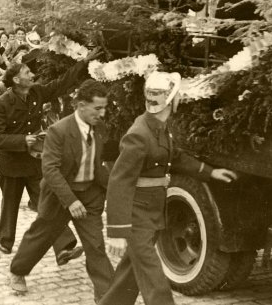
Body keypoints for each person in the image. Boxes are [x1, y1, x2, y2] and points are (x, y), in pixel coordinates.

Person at [99, 71, 237, 305]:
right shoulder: (139, 135)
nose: (179, 100)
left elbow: (177, 157)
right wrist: (117, 233)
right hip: (137, 219)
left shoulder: (159, 127)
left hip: (151, 213)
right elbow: (119, 182)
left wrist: (210, 172)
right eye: (176, 97)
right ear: (170, 101)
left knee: (130, 274)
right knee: (155, 283)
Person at [0, 48, 102, 257]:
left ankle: (64, 246)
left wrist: (84, 61)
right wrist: (22, 140)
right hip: (12, 164)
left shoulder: (37, 93)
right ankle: (6, 241)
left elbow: (62, 83)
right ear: (16, 79)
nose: (32, 75)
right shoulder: (0, 104)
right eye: (27, 73)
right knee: (10, 204)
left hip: (34, 162)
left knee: (48, 202)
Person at [9, 80, 115, 301]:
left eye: (104, 108)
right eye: (98, 108)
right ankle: (18, 271)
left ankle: (107, 298)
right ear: (81, 105)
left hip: (89, 195)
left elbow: (98, 163)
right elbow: (50, 170)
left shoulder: (100, 128)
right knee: (41, 236)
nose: (102, 113)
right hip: (59, 196)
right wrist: (70, 201)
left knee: (96, 246)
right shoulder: (59, 131)